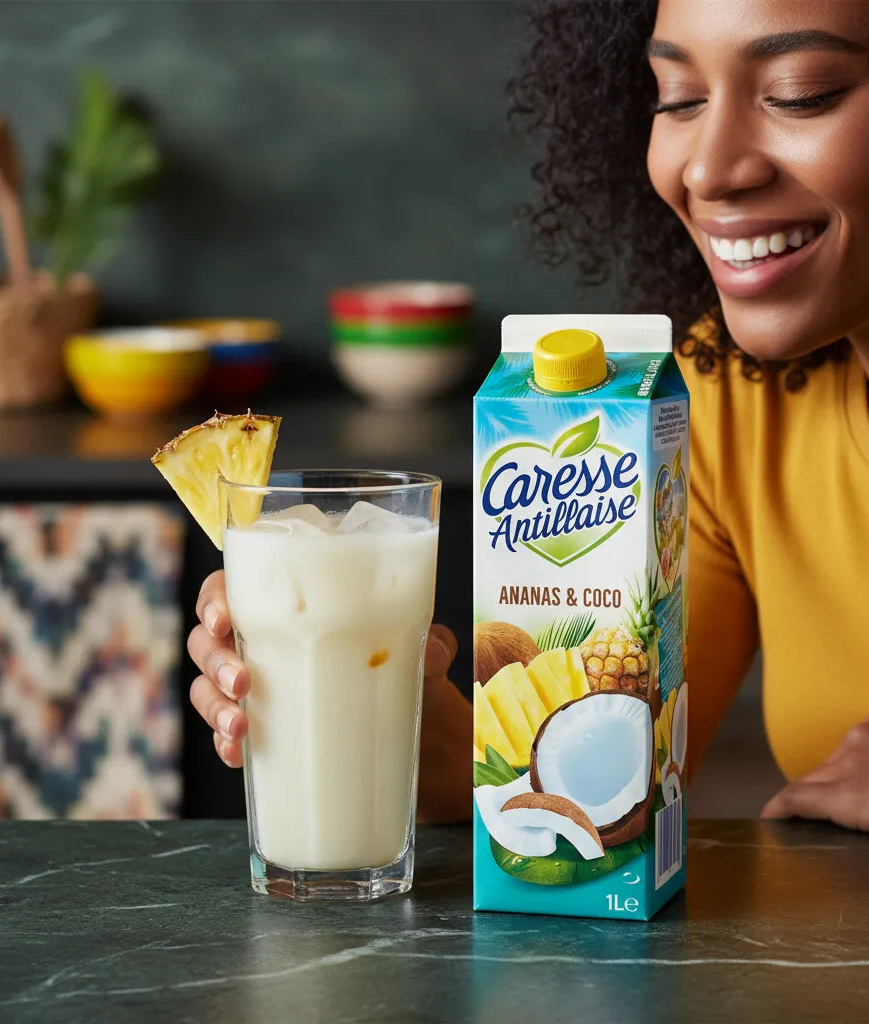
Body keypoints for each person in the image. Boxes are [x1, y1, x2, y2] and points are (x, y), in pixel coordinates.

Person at [187, 0, 869, 832]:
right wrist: (355, 689)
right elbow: (589, 780)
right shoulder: (721, 397)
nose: (709, 169)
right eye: (680, 99)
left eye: (801, 93)